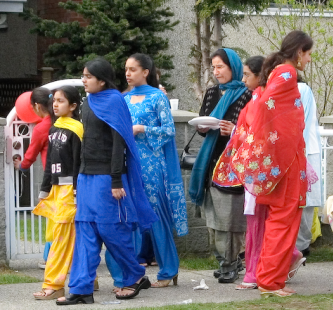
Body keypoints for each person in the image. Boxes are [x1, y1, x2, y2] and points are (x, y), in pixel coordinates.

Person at [214, 31, 312, 297]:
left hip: (286, 157)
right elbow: (266, 108)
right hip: (286, 159)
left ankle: (273, 280)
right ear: (299, 51)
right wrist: (267, 146)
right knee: (283, 218)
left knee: (283, 219)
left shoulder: (279, 72)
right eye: (308, 53)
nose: (309, 59)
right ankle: (269, 282)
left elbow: (268, 106)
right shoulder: (287, 73)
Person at [58, 58, 157, 305]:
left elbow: (118, 143)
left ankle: (135, 276)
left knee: (112, 230)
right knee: (85, 232)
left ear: (102, 80)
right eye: (83, 76)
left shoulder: (114, 101)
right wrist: (77, 178)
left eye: (88, 76)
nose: (84, 80)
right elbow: (86, 141)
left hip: (108, 179)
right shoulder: (88, 102)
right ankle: (81, 289)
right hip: (86, 176)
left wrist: (116, 181)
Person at [121, 54, 188, 287]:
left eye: (132, 69)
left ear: (145, 72)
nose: (128, 74)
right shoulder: (124, 98)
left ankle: (169, 269)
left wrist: (141, 128)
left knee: (156, 216)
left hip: (152, 163)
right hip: (129, 162)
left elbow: (169, 130)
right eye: (126, 70)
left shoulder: (158, 97)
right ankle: (133, 271)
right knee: (132, 215)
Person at [188, 48, 253, 284]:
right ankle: (225, 261)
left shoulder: (247, 94)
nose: (216, 72)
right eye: (213, 67)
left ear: (233, 67)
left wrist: (232, 130)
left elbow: (252, 129)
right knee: (213, 219)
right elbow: (203, 120)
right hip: (210, 161)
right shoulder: (212, 92)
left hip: (233, 165)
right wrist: (203, 128)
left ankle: (231, 263)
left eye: (220, 67)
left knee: (230, 219)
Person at [31, 86, 83, 300]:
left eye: (61, 101)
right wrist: (45, 189)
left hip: (70, 191)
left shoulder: (77, 129)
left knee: (64, 238)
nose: (55, 104)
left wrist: (78, 192)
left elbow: (79, 162)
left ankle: (54, 284)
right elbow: (50, 162)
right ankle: (85, 279)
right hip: (56, 190)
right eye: (55, 100)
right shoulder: (54, 129)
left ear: (73, 106)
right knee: (64, 237)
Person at [234, 55, 267, 291]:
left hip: (262, 169)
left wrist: (245, 137)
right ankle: (254, 269)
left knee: (259, 221)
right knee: (256, 221)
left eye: (247, 74)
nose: (243, 78)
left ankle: (255, 272)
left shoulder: (264, 99)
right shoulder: (254, 98)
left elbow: (260, 134)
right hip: (252, 168)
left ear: (259, 76)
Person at [17, 88, 53, 264]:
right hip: (70, 178)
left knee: (53, 221)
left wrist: (21, 166)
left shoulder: (41, 128)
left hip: (51, 181)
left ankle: (49, 257)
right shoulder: (63, 123)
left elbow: (30, 156)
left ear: (37, 106)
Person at [295, 79, 321, 259]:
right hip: (294, 151)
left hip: (306, 151)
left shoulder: (302, 89)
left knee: (305, 202)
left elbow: (300, 121)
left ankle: (302, 246)